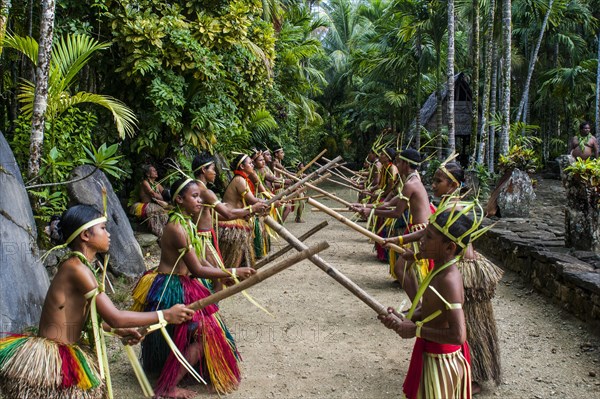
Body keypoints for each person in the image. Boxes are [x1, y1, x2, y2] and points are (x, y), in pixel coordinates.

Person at [0, 204, 193, 399]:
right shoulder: (77, 269)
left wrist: (117, 330)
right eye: (103, 228)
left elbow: (84, 317)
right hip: (55, 356)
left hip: (65, 349)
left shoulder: (81, 266)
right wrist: (165, 314)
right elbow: (116, 316)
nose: (108, 234)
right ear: (85, 235)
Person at [132, 177, 256, 398]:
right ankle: (168, 386)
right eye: (195, 197)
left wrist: (224, 273)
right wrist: (234, 272)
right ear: (180, 199)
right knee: (202, 334)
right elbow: (198, 269)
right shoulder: (177, 227)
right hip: (171, 286)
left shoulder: (188, 223)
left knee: (199, 331)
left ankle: (188, 369)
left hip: (185, 282)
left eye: (200, 196)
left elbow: (201, 260)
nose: (200, 201)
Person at [379, 202, 485, 399]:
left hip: (442, 362)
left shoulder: (449, 281)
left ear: (449, 247)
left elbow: (458, 335)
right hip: (431, 355)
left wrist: (416, 330)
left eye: (428, 237)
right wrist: (402, 318)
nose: (422, 241)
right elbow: (430, 310)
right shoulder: (439, 269)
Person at [192, 152, 267, 291]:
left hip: (203, 236)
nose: (215, 173)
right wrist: (251, 209)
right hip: (202, 239)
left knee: (217, 277)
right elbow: (226, 214)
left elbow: (216, 214)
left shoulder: (194, 188)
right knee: (218, 279)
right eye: (213, 169)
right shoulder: (206, 192)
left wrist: (244, 212)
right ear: (203, 170)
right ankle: (210, 310)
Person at [219, 154, 270, 268]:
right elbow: (252, 200)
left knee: (241, 252)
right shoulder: (239, 180)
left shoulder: (243, 179)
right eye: (250, 163)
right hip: (231, 220)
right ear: (242, 166)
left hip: (238, 217)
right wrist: (269, 202)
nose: (253, 165)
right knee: (235, 255)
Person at [129, 164, 170, 237]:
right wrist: (162, 199)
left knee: (168, 210)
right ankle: (159, 232)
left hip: (155, 204)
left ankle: (166, 231)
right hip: (146, 205)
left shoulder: (157, 184)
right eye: (153, 171)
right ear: (148, 174)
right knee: (159, 210)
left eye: (155, 170)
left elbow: (165, 194)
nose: (156, 172)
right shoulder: (145, 182)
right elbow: (153, 194)